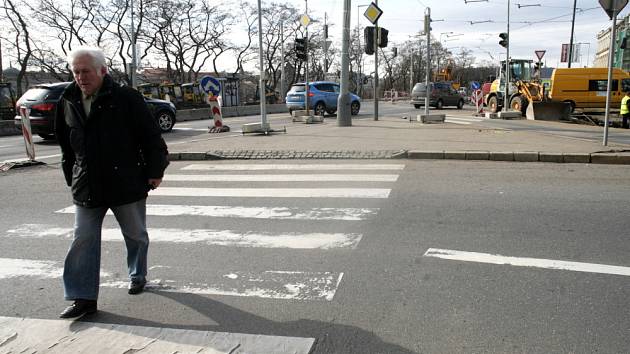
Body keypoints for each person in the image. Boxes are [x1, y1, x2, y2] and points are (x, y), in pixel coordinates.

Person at [55, 46, 169, 319]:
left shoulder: (126, 98)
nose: (81, 77)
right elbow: (66, 143)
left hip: (125, 181)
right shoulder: (68, 99)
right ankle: (82, 298)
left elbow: (151, 137)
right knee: (82, 239)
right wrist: (71, 175)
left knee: (135, 235)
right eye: (76, 72)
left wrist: (155, 171)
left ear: (102, 71)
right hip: (87, 184)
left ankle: (137, 274)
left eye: (86, 71)